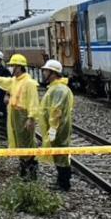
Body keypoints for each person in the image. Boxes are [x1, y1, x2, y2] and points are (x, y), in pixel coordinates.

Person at [0, 54, 40, 180]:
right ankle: (23, 168)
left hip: (23, 115)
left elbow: (33, 102)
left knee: (26, 142)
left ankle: (31, 169)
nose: (11, 68)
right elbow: (4, 82)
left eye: (13, 66)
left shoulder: (29, 83)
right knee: (18, 141)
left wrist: (31, 118)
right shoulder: (15, 81)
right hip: (15, 115)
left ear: (19, 67)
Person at [33, 60, 74, 191]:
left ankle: (64, 183)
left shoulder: (60, 90)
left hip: (59, 127)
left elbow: (56, 111)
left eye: (46, 70)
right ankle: (61, 181)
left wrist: (53, 128)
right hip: (56, 127)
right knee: (58, 153)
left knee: (61, 153)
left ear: (53, 73)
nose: (43, 73)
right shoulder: (55, 87)